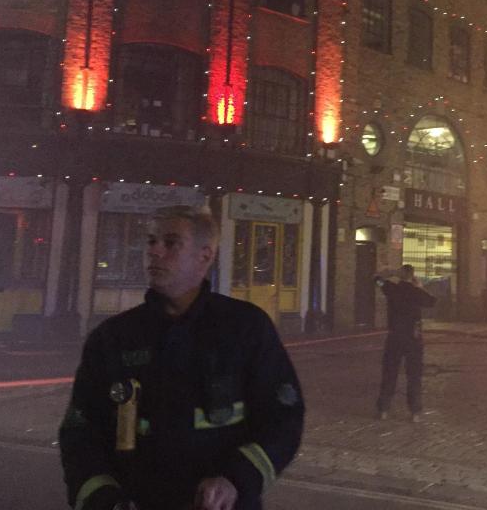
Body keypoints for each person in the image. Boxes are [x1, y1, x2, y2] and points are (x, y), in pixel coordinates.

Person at [59, 205, 304, 510]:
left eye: (171, 242)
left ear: (205, 255)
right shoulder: (113, 338)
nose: (155, 251)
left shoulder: (245, 329)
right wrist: (103, 498)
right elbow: (80, 432)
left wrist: (235, 480)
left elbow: (283, 418)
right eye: (151, 241)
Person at [375, 264, 436, 422]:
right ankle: (415, 412)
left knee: (389, 373)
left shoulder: (391, 288)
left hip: (395, 336)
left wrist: (389, 273)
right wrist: (420, 287)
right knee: (414, 375)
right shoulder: (417, 292)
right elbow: (432, 301)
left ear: (401, 276)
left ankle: (383, 409)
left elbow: (376, 279)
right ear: (412, 276)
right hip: (413, 338)